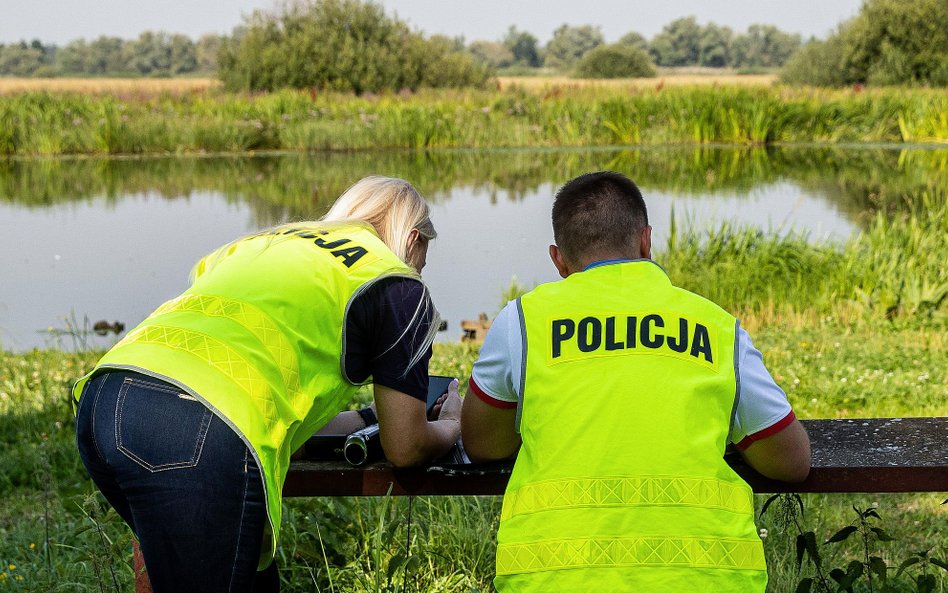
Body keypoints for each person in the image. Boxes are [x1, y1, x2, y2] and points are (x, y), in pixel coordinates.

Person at [73, 176, 462, 593]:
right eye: (423, 258)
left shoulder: (264, 242)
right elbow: (406, 449)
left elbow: (248, 377)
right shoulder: (396, 283)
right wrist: (453, 424)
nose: (421, 270)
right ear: (413, 239)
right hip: (202, 425)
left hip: (107, 399)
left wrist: (366, 419)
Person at [461, 171, 811, 593]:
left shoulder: (522, 323)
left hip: (555, 578)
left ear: (559, 260)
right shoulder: (716, 327)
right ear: (646, 241)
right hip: (704, 579)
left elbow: (483, 445)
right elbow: (790, 461)